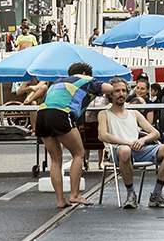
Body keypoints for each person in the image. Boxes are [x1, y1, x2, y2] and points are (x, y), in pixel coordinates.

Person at [35, 63, 112, 208]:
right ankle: (74, 194)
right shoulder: (84, 79)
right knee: (78, 154)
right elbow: (109, 88)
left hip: (42, 115)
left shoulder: (58, 81)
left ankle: (60, 200)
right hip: (60, 114)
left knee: (55, 160)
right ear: (84, 73)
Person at [98, 78, 164, 209]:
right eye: (117, 91)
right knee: (125, 151)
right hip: (118, 151)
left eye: (123, 90)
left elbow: (155, 133)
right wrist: (127, 143)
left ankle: (156, 194)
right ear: (110, 94)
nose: (121, 94)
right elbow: (102, 135)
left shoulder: (133, 113)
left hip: (139, 148)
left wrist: (142, 140)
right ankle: (131, 194)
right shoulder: (104, 114)